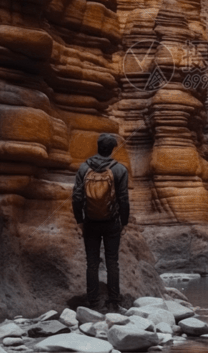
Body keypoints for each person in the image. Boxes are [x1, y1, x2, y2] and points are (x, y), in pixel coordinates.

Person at [71, 133, 130, 311]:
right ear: (112, 149)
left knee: (92, 263)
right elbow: (123, 199)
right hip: (112, 222)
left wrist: (79, 220)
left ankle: (93, 303)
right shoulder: (120, 170)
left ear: (97, 147)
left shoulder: (83, 168)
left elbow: (76, 197)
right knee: (112, 262)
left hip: (90, 222)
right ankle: (114, 302)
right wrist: (124, 222)